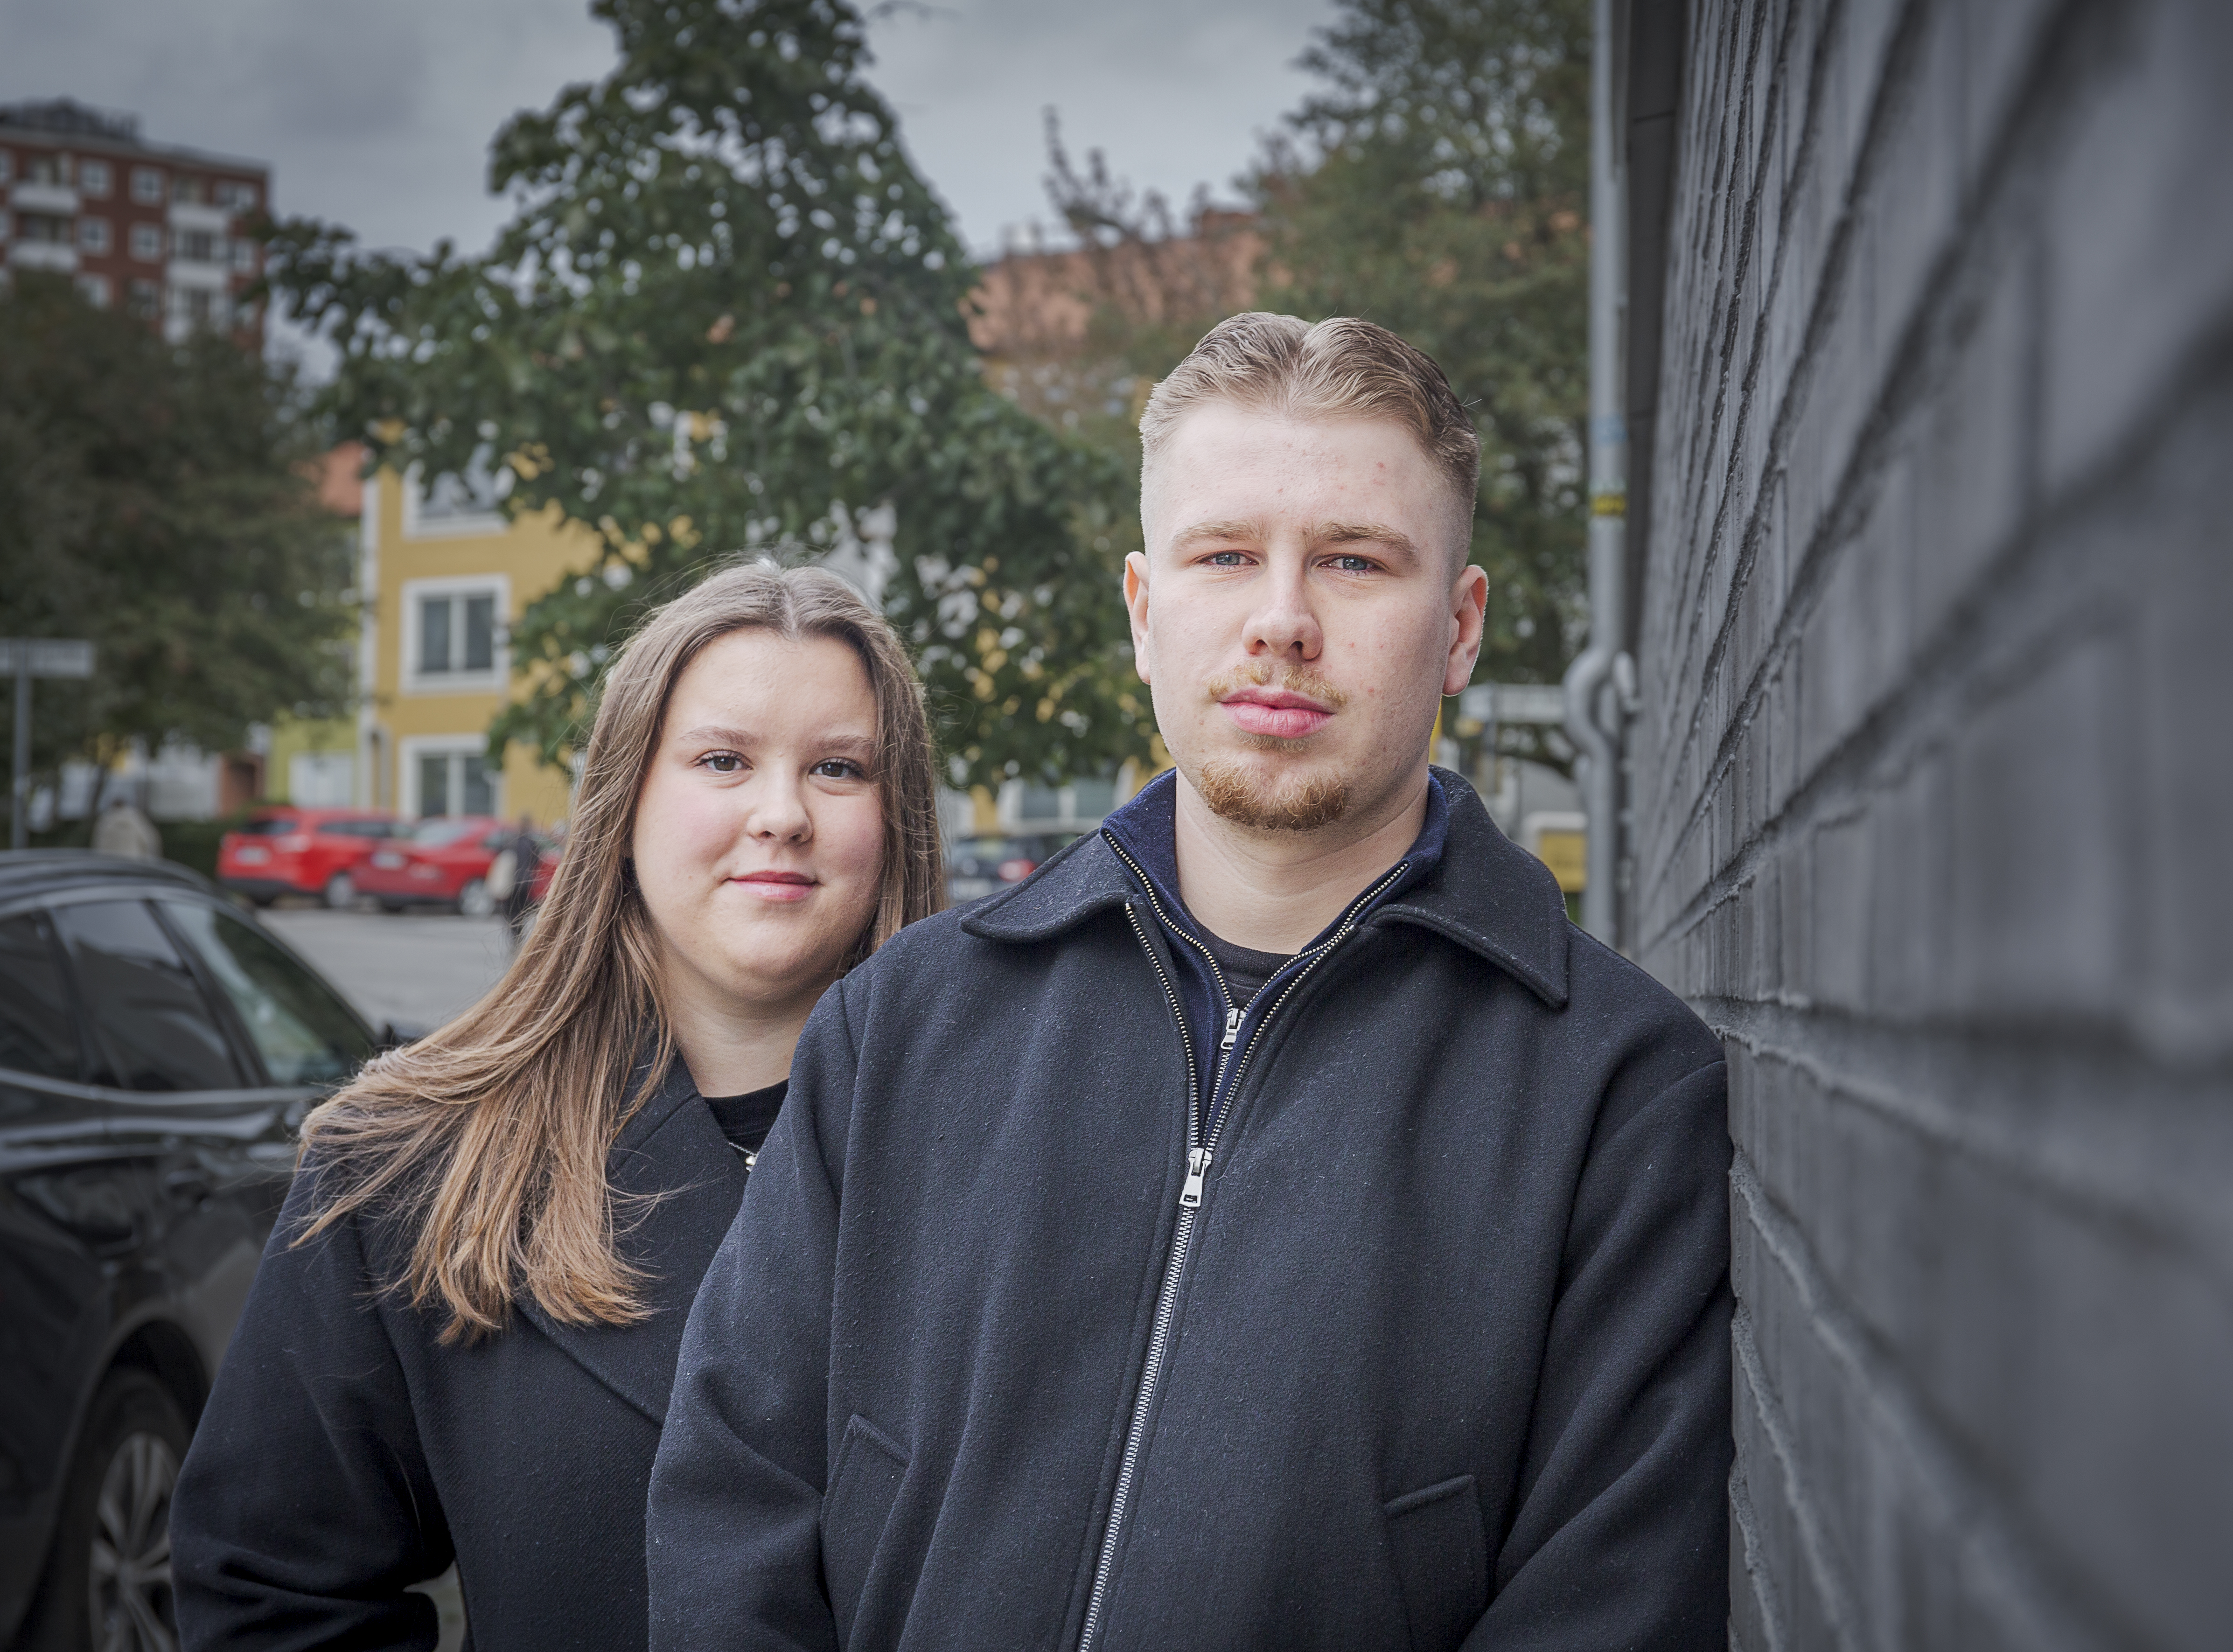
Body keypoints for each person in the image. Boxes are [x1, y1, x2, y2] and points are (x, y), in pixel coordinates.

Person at [647, 316, 1731, 1650]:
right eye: (1225, 556)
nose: (1281, 620)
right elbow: (733, 1506)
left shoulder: (1615, 1087)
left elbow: (1604, 1609)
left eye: (1351, 559)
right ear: (1146, 615)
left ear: (1456, 628)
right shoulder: (905, 1022)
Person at [170, 563, 945, 1651]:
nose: (781, 814)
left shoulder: (1015, 1153)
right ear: (625, 796)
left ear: (893, 812)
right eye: (723, 759)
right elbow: (272, 1596)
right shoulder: (409, 1162)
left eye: (836, 767)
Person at [91, 795, 159, 859]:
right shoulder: (135, 818)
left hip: (111, 859)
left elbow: (99, 843)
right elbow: (147, 839)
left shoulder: (106, 820)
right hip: (133, 858)